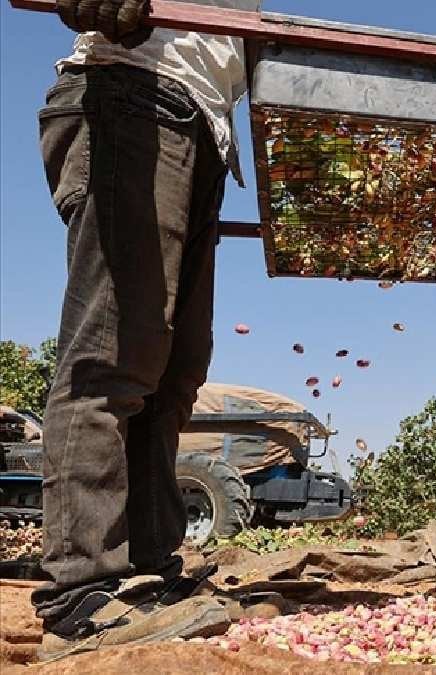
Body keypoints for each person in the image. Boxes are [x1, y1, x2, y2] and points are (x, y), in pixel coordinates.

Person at [33, 0, 259, 660]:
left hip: (201, 125)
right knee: (113, 351)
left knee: (174, 370)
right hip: (133, 88)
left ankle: (148, 568)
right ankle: (80, 590)